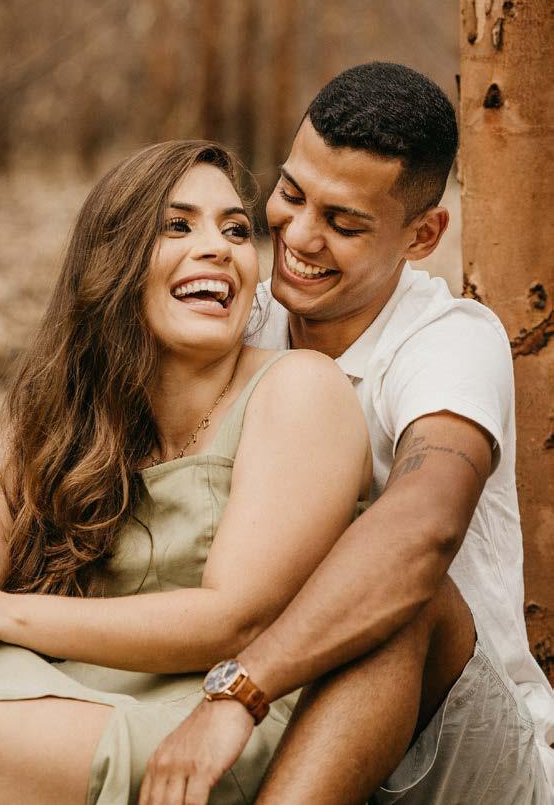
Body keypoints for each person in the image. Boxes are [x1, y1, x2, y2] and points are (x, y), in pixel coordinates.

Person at [139, 64, 554, 804]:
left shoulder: (448, 340)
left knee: (399, 588)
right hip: (281, 717)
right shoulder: (241, 314)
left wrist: (240, 690)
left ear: (422, 235)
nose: (299, 235)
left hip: (453, 745)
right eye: (292, 193)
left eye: (344, 222)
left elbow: (423, 530)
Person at [0, 140, 372, 804]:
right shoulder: (54, 406)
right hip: (50, 686)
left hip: (206, 723)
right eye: (177, 225)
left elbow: (232, 621)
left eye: (235, 230)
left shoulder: (300, 388)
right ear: (110, 260)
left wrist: (3, 613)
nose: (219, 248)